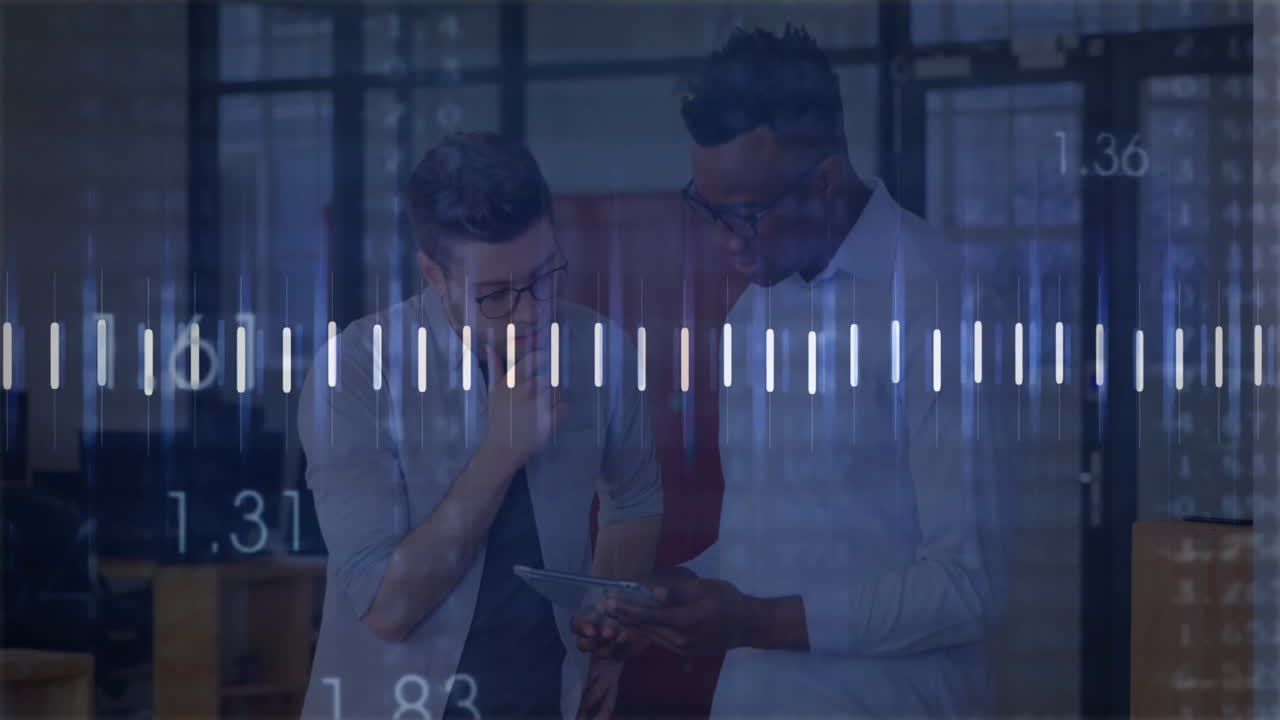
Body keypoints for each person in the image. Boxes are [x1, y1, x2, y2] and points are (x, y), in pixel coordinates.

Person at [573, 25, 1017, 717]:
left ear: (825, 180)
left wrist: (755, 622)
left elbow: (970, 585)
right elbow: (768, 545)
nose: (725, 241)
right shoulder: (756, 310)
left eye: (747, 215)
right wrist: (668, 599)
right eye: (708, 210)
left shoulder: (941, 307)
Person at [299, 131, 663, 720]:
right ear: (432, 274)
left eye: (546, 277)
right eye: (495, 294)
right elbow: (387, 610)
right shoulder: (355, 371)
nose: (531, 311)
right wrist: (501, 453)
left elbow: (635, 498)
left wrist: (611, 637)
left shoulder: (600, 351)